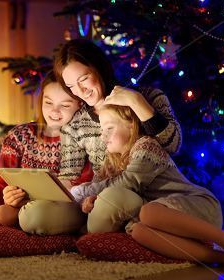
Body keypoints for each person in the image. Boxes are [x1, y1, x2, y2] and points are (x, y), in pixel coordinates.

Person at [70, 103, 224, 272]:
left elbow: (129, 182)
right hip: (170, 225)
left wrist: (81, 192)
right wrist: (89, 201)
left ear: (131, 125)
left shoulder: (146, 146)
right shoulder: (110, 162)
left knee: (148, 213)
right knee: (139, 231)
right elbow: (97, 188)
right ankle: (220, 257)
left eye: (109, 128)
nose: (103, 136)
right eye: (102, 130)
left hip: (198, 207)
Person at [0, 71, 89, 230]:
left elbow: (82, 187)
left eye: (65, 105)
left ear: (79, 105)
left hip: (52, 207)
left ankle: (7, 227)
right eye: (48, 103)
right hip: (14, 201)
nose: (54, 111)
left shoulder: (82, 140)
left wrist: (26, 202)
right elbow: (3, 180)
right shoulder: (20, 135)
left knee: (1, 216)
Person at [52, 38, 182, 190]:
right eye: (71, 86)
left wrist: (136, 101)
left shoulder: (150, 97)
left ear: (99, 69)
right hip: (107, 197)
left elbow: (174, 145)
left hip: (156, 193)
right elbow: (68, 177)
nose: (80, 91)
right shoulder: (76, 124)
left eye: (84, 79)